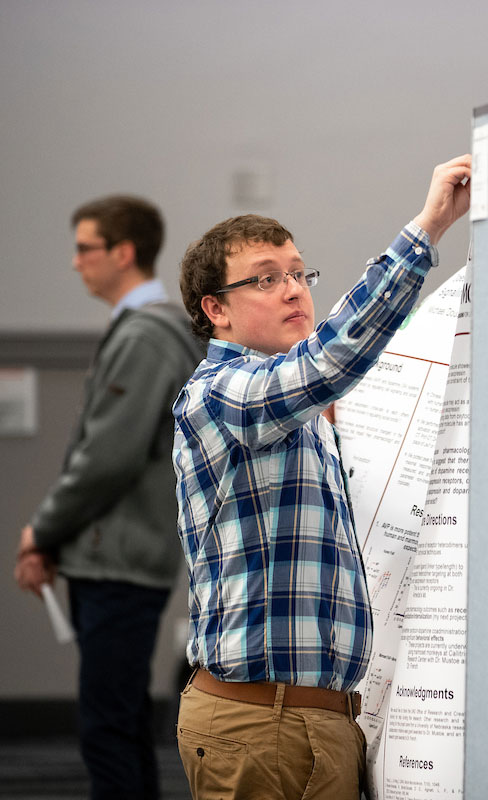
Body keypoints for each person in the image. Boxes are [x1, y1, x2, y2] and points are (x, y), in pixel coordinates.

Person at [172, 154, 471, 799]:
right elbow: (328, 361)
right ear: (215, 309)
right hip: (258, 723)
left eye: (297, 272)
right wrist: (427, 229)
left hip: (320, 721)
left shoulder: (303, 415)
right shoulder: (222, 393)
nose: (293, 289)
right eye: (264, 279)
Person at [13, 195, 205, 800]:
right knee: (115, 727)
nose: (75, 263)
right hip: (124, 553)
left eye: (85, 248)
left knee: (107, 730)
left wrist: (41, 531)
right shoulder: (147, 329)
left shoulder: (146, 336)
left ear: (123, 253)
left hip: (119, 559)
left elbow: (105, 458)